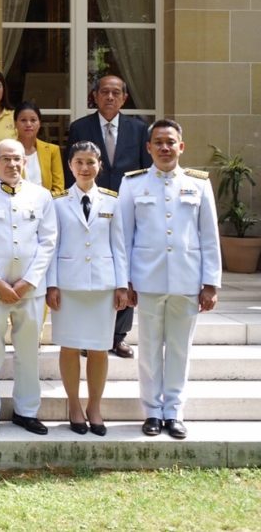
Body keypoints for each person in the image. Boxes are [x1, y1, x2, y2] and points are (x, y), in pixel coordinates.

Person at [113, 120, 221, 440]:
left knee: (179, 349)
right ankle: (152, 411)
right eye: (158, 142)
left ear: (181, 147)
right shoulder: (132, 183)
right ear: (148, 148)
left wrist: (210, 283)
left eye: (170, 142)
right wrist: (124, 281)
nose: (164, 147)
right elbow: (123, 237)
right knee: (148, 348)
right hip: (147, 279)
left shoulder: (198, 184)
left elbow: (209, 236)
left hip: (187, 279)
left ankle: (174, 411)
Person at [0, 138, 58, 437]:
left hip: (30, 290)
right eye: (5, 158)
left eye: (17, 158)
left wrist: (27, 281)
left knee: (28, 352)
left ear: (25, 161)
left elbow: (48, 242)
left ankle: (26, 411)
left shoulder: (41, 196)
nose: (12, 164)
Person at [66, 74, 151, 360]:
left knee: (124, 267)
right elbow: (72, 169)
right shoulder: (80, 127)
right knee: (90, 266)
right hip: (90, 207)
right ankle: (86, 336)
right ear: (95, 96)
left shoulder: (139, 129)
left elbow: (145, 170)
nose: (110, 97)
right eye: (104, 92)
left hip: (126, 207)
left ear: (124, 98)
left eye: (116, 93)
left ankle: (118, 336)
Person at [46, 141, 128, 436]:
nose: (84, 168)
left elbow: (119, 246)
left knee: (99, 349)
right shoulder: (57, 203)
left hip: (103, 285)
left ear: (99, 165)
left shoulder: (112, 201)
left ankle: (94, 406)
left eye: (90, 162)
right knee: (69, 347)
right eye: (79, 162)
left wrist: (122, 285)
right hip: (68, 285)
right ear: (70, 165)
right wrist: (51, 284)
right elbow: (51, 247)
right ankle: (74, 405)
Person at [15, 101, 64, 195]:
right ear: (15, 123)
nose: (28, 124)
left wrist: (44, 201)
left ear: (39, 123)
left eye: (33, 120)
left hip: (47, 202)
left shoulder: (52, 150)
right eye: (23, 120)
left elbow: (59, 189)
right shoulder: (8, 151)